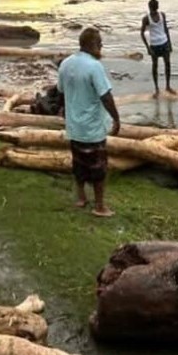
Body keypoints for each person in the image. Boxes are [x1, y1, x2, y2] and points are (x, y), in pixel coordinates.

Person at [58, 27, 120, 217]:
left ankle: (81, 198)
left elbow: (60, 91)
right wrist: (116, 119)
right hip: (92, 127)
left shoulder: (66, 64)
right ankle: (100, 206)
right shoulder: (94, 66)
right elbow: (106, 96)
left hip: (74, 125)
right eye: (100, 43)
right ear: (92, 44)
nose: (101, 46)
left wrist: (64, 111)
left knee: (79, 164)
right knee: (98, 168)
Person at [139, 0, 174, 96]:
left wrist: (170, 44)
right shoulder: (146, 18)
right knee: (155, 66)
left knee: (167, 65)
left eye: (154, 8)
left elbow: (166, 29)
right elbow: (141, 32)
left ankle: (167, 86)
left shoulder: (162, 15)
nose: (153, 10)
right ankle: (157, 89)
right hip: (155, 45)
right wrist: (147, 47)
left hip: (163, 42)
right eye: (152, 8)